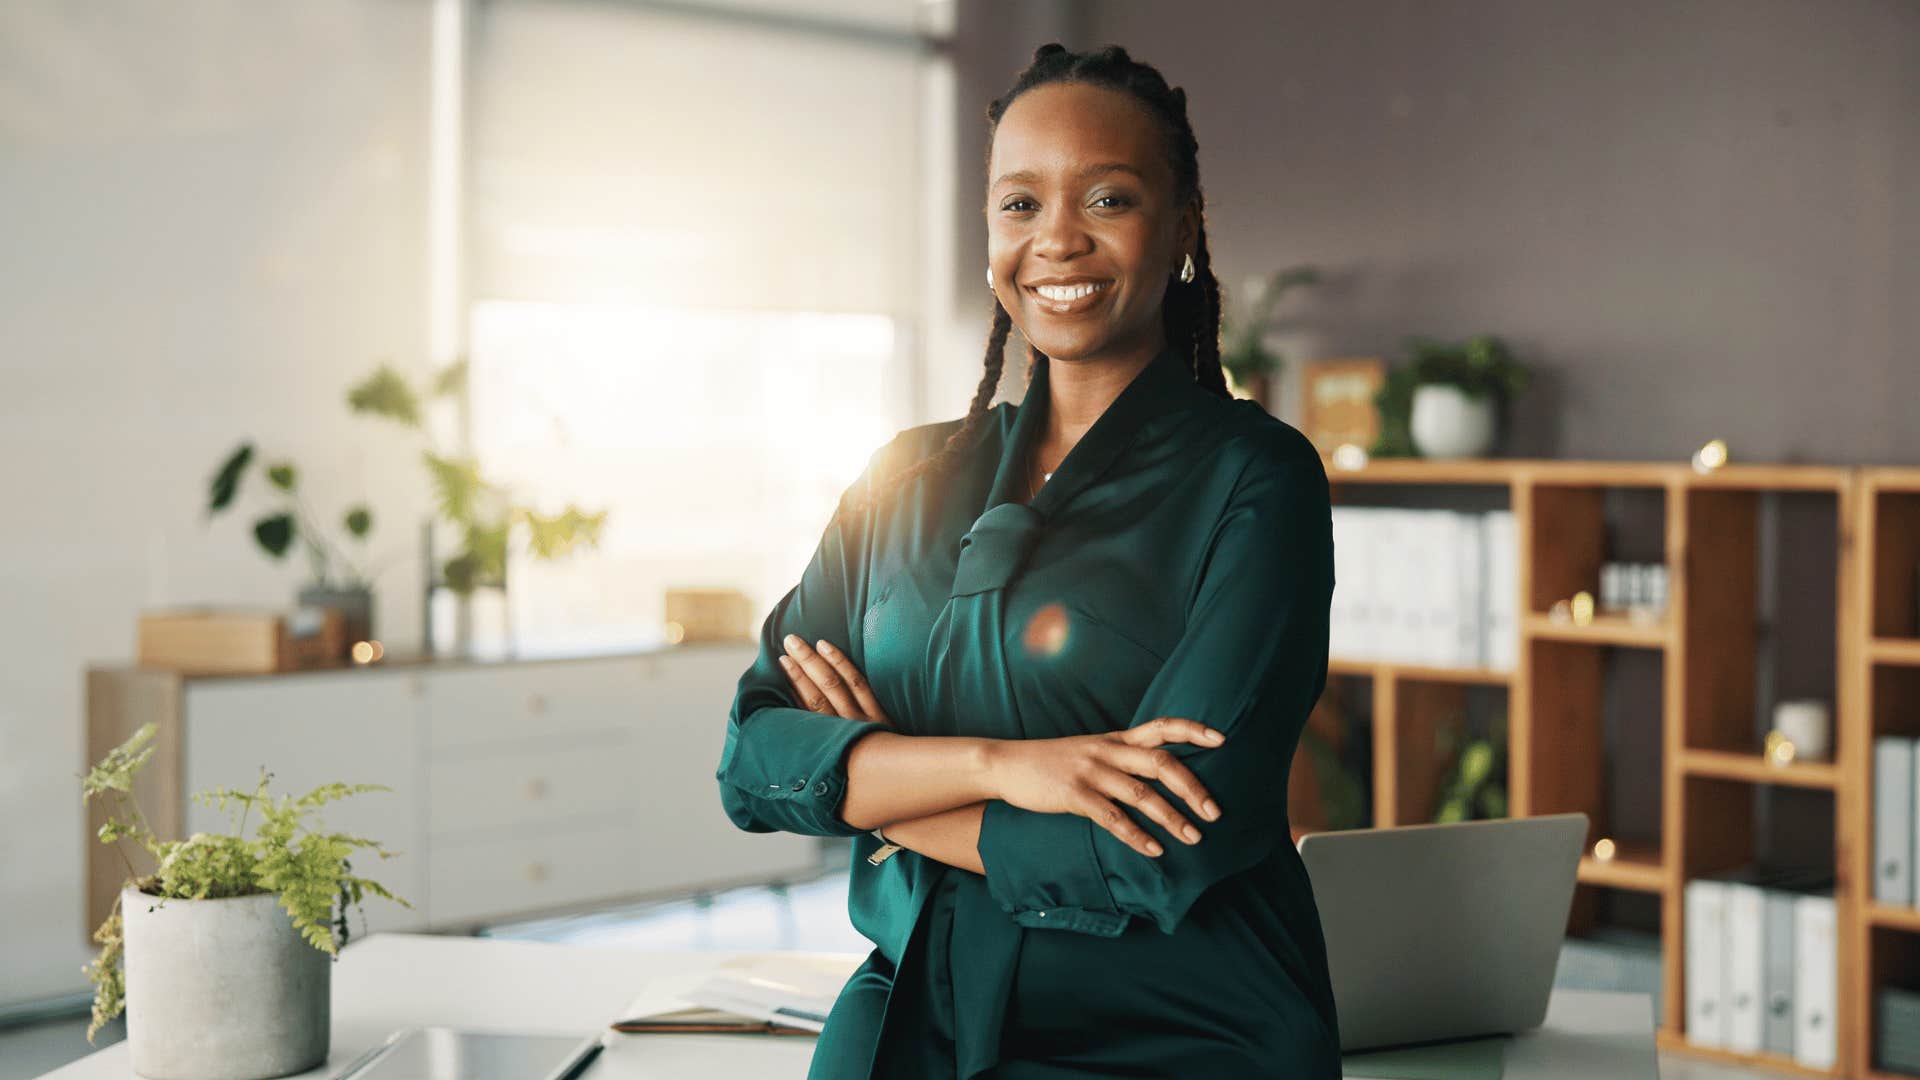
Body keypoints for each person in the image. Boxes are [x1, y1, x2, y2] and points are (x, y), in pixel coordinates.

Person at [715, 41, 1340, 1079]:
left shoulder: (1258, 479)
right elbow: (753, 763)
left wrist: (878, 788)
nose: (1057, 240)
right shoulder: (900, 479)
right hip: (914, 999)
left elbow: (1157, 843)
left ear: (1181, 228)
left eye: (1107, 199)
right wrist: (1008, 769)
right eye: (1019, 205)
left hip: (1180, 1025)